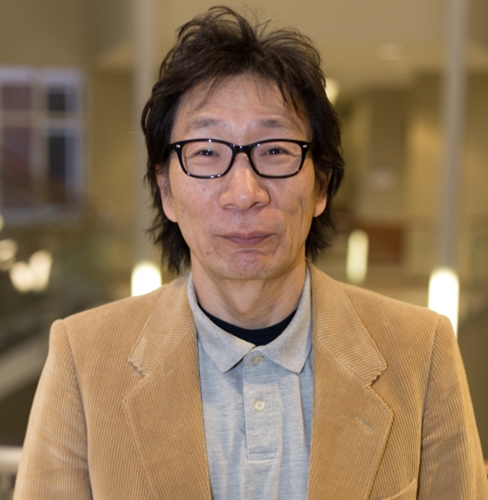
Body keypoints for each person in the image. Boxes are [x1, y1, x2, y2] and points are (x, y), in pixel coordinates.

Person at [14, 6, 488, 500]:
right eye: (206, 152)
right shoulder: (84, 358)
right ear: (166, 191)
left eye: (275, 150)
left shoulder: (421, 351)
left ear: (322, 185)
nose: (244, 193)